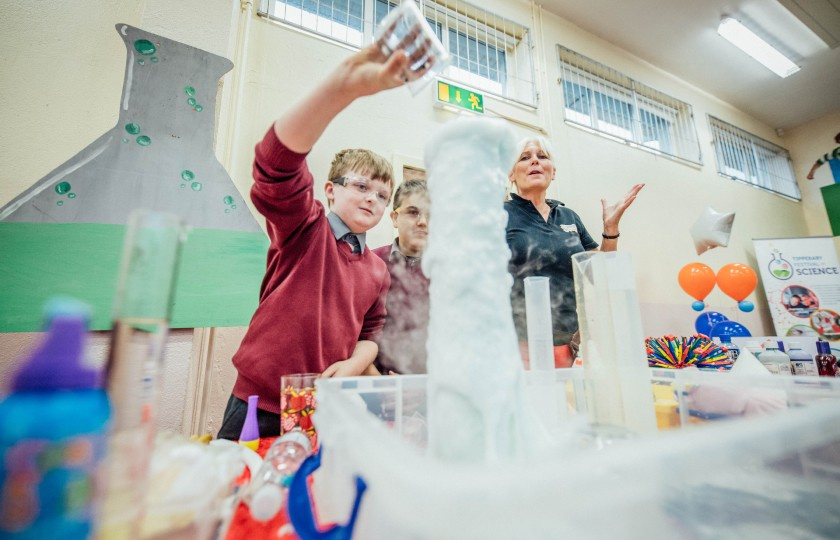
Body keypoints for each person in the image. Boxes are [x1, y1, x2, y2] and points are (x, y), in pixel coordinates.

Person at [218, 31, 432, 440]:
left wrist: (354, 364)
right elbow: (275, 165)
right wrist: (341, 89)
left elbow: (371, 333)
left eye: (383, 195)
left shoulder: (376, 268)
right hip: (258, 405)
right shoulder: (304, 228)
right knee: (239, 493)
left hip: (324, 408)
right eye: (361, 186)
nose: (373, 199)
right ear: (330, 190)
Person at [505, 136, 644, 368]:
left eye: (542, 157)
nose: (535, 162)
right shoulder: (499, 214)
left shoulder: (569, 217)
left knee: (564, 402)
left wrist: (610, 230)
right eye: (525, 158)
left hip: (567, 340)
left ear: (553, 171)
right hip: (516, 340)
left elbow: (598, 275)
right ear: (511, 174)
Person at [372, 179, 431, 374]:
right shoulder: (371, 263)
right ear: (395, 218)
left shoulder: (448, 270)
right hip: (381, 385)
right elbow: (357, 333)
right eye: (413, 212)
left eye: (430, 214)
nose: (422, 221)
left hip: (434, 386)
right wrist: (381, 381)